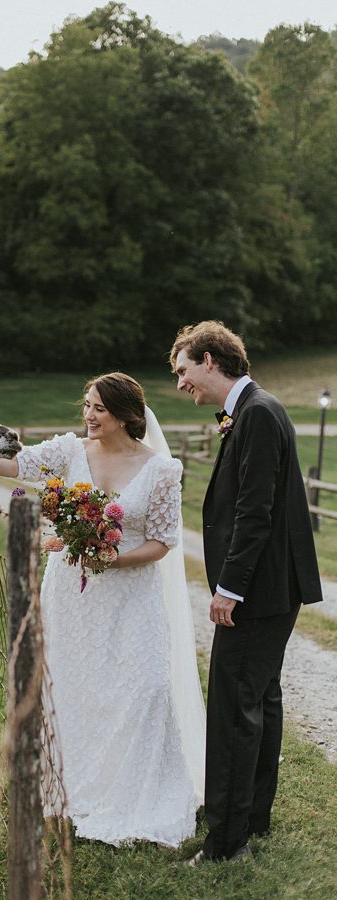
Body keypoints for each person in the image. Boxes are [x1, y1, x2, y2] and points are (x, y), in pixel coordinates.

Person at [0, 372, 205, 847]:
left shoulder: (161, 470)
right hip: (73, 600)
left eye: (98, 409)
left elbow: (163, 543)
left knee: (147, 687)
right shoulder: (68, 452)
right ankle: (73, 785)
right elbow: (16, 464)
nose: (88, 415)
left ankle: (136, 796)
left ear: (125, 415)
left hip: (133, 599)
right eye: (86, 405)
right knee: (74, 688)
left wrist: (113, 557)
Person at [170, 321, 323, 864]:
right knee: (261, 700)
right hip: (273, 590)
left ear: (211, 360)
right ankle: (253, 817)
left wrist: (228, 590)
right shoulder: (257, 409)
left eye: (184, 370)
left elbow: (253, 512)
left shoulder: (256, 414)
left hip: (255, 592)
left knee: (235, 708)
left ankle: (225, 841)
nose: (181, 383)